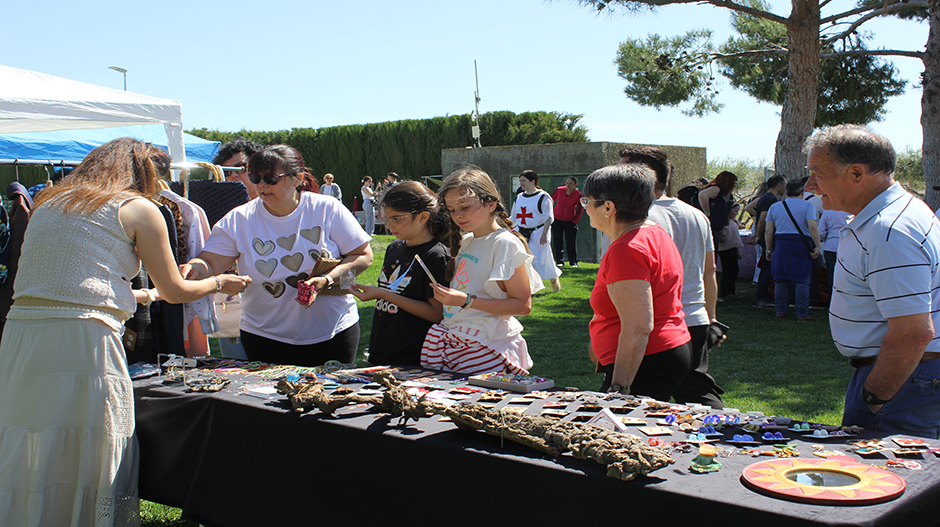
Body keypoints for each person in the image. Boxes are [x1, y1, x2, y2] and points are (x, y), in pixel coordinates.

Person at [0, 138, 251, 526]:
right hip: (84, 341)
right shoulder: (137, 208)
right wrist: (219, 282)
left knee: (32, 440)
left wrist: (143, 294)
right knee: (96, 441)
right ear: (146, 173)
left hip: (22, 336)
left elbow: (69, 285)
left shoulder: (50, 203)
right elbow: (176, 291)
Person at [804, 124, 940, 438]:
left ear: (856, 173)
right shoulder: (893, 216)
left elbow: (913, 332)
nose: (810, 184)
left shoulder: (887, 231)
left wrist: (874, 397)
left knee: (885, 477)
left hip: (903, 382)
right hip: (908, 377)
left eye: (817, 172)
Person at [184, 145, 373, 367]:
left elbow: (363, 255)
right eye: (255, 177)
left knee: (332, 396)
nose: (262, 184)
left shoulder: (326, 209)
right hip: (265, 336)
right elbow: (210, 261)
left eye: (271, 178)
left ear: (297, 179)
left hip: (334, 331)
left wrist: (326, 280)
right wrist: (195, 267)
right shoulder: (239, 219)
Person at [619, 147, 723, 407]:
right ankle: (724, 437)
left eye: (621, 171)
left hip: (657, 322)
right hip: (695, 319)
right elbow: (709, 271)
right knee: (698, 393)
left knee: (635, 402)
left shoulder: (635, 219)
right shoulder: (696, 215)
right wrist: (711, 318)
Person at [420, 166, 543, 375]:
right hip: (459, 344)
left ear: (491, 203)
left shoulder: (504, 243)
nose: (457, 215)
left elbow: (523, 305)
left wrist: (465, 300)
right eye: (451, 209)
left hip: (487, 348)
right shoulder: (467, 241)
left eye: (465, 207)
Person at [584, 164, 692, 400]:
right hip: (660, 354)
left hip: (648, 360)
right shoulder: (652, 232)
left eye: (588, 202)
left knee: (616, 430)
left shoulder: (627, 248)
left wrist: (619, 389)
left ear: (608, 207)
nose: (586, 209)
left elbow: (638, 327)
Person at [350, 181, 449, 366]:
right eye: (387, 218)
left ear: (423, 217)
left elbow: (437, 314)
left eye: (397, 219)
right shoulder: (394, 247)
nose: (389, 226)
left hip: (415, 358)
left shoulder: (436, 255)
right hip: (382, 352)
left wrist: (382, 294)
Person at [212, 138, 265, 359]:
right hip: (234, 308)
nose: (234, 176)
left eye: (240, 168)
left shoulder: (277, 209)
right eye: (228, 171)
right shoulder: (222, 213)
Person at [764, 181, 821, 321]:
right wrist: (817, 246)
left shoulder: (775, 206)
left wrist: (768, 248)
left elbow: (768, 230)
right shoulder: (808, 205)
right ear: (802, 193)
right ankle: (802, 312)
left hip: (781, 244)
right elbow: (812, 226)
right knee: (802, 280)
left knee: (780, 279)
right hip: (800, 245)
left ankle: (780, 310)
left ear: (786, 191)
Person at [511, 170, 562, 292]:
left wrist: (544, 233)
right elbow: (513, 217)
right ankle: (527, 286)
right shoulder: (519, 197)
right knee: (522, 258)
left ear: (532, 181)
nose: (521, 183)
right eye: (520, 181)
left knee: (541, 258)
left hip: (538, 231)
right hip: (521, 231)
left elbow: (548, 217)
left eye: (523, 180)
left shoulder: (543, 197)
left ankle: (554, 279)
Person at [745, 174, 787, 307]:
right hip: (766, 237)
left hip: (762, 236)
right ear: (779, 185)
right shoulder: (770, 199)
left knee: (766, 267)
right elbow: (763, 219)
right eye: (784, 185)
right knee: (768, 268)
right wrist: (758, 234)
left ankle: (762, 295)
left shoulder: (765, 197)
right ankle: (761, 297)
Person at [817, 207, 849, 303]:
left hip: (830, 246)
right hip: (846, 245)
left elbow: (821, 232)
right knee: (847, 276)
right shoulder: (849, 211)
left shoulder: (828, 212)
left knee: (832, 276)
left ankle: (833, 301)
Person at [697, 170, 737, 245]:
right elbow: (702, 195)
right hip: (710, 229)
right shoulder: (717, 188)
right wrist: (707, 213)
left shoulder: (720, 193)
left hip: (714, 229)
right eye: (733, 184)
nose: (734, 187)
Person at [551, 176, 584, 267]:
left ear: (575, 184)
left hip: (569, 221)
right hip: (557, 219)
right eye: (567, 183)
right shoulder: (560, 190)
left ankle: (573, 262)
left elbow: (580, 209)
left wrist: (575, 221)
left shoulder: (578, 194)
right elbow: (551, 200)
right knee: (558, 241)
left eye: (570, 183)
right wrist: (551, 213)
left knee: (571, 242)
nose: (568, 185)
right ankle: (559, 261)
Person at [717, 202, 744, 299]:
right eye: (735, 211)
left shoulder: (734, 222)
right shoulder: (723, 223)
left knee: (734, 270)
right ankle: (725, 292)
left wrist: (738, 251)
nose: (736, 213)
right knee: (727, 270)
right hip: (725, 249)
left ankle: (732, 290)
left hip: (733, 248)